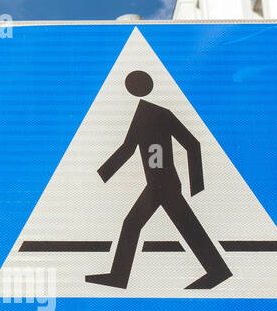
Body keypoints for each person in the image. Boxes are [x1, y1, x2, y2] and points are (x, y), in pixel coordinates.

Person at [85, 70, 232, 291]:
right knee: (138, 224)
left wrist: (197, 186)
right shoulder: (142, 114)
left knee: (173, 226)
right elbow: (128, 148)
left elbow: (192, 144)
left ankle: (217, 271)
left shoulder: (158, 113)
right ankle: (119, 276)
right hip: (156, 184)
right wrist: (101, 175)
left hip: (165, 184)